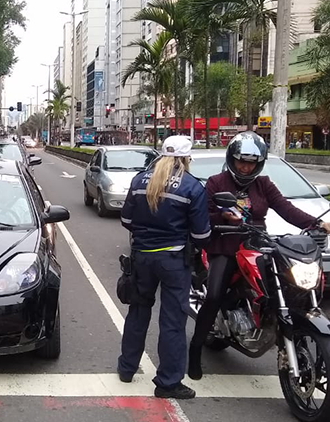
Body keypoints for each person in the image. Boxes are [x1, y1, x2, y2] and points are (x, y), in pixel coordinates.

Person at [188, 131, 330, 380]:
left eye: (251, 162)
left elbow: (287, 209)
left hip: (258, 242)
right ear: (232, 160)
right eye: (241, 161)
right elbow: (202, 216)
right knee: (214, 295)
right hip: (225, 243)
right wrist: (221, 217)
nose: (245, 167)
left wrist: (318, 223)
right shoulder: (216, 182)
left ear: (258, 164)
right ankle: (194, 351)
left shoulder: (264, 184)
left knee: (289, 283)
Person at [118, 136, 210, 400]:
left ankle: (127, 368)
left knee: (138, 311)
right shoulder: (192, 187)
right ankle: (168, 382)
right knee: (171, 321)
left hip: (142, 257)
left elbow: (126, 220)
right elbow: (202, 236)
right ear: (186, 158)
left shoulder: (139, 180)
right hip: (173, 260)